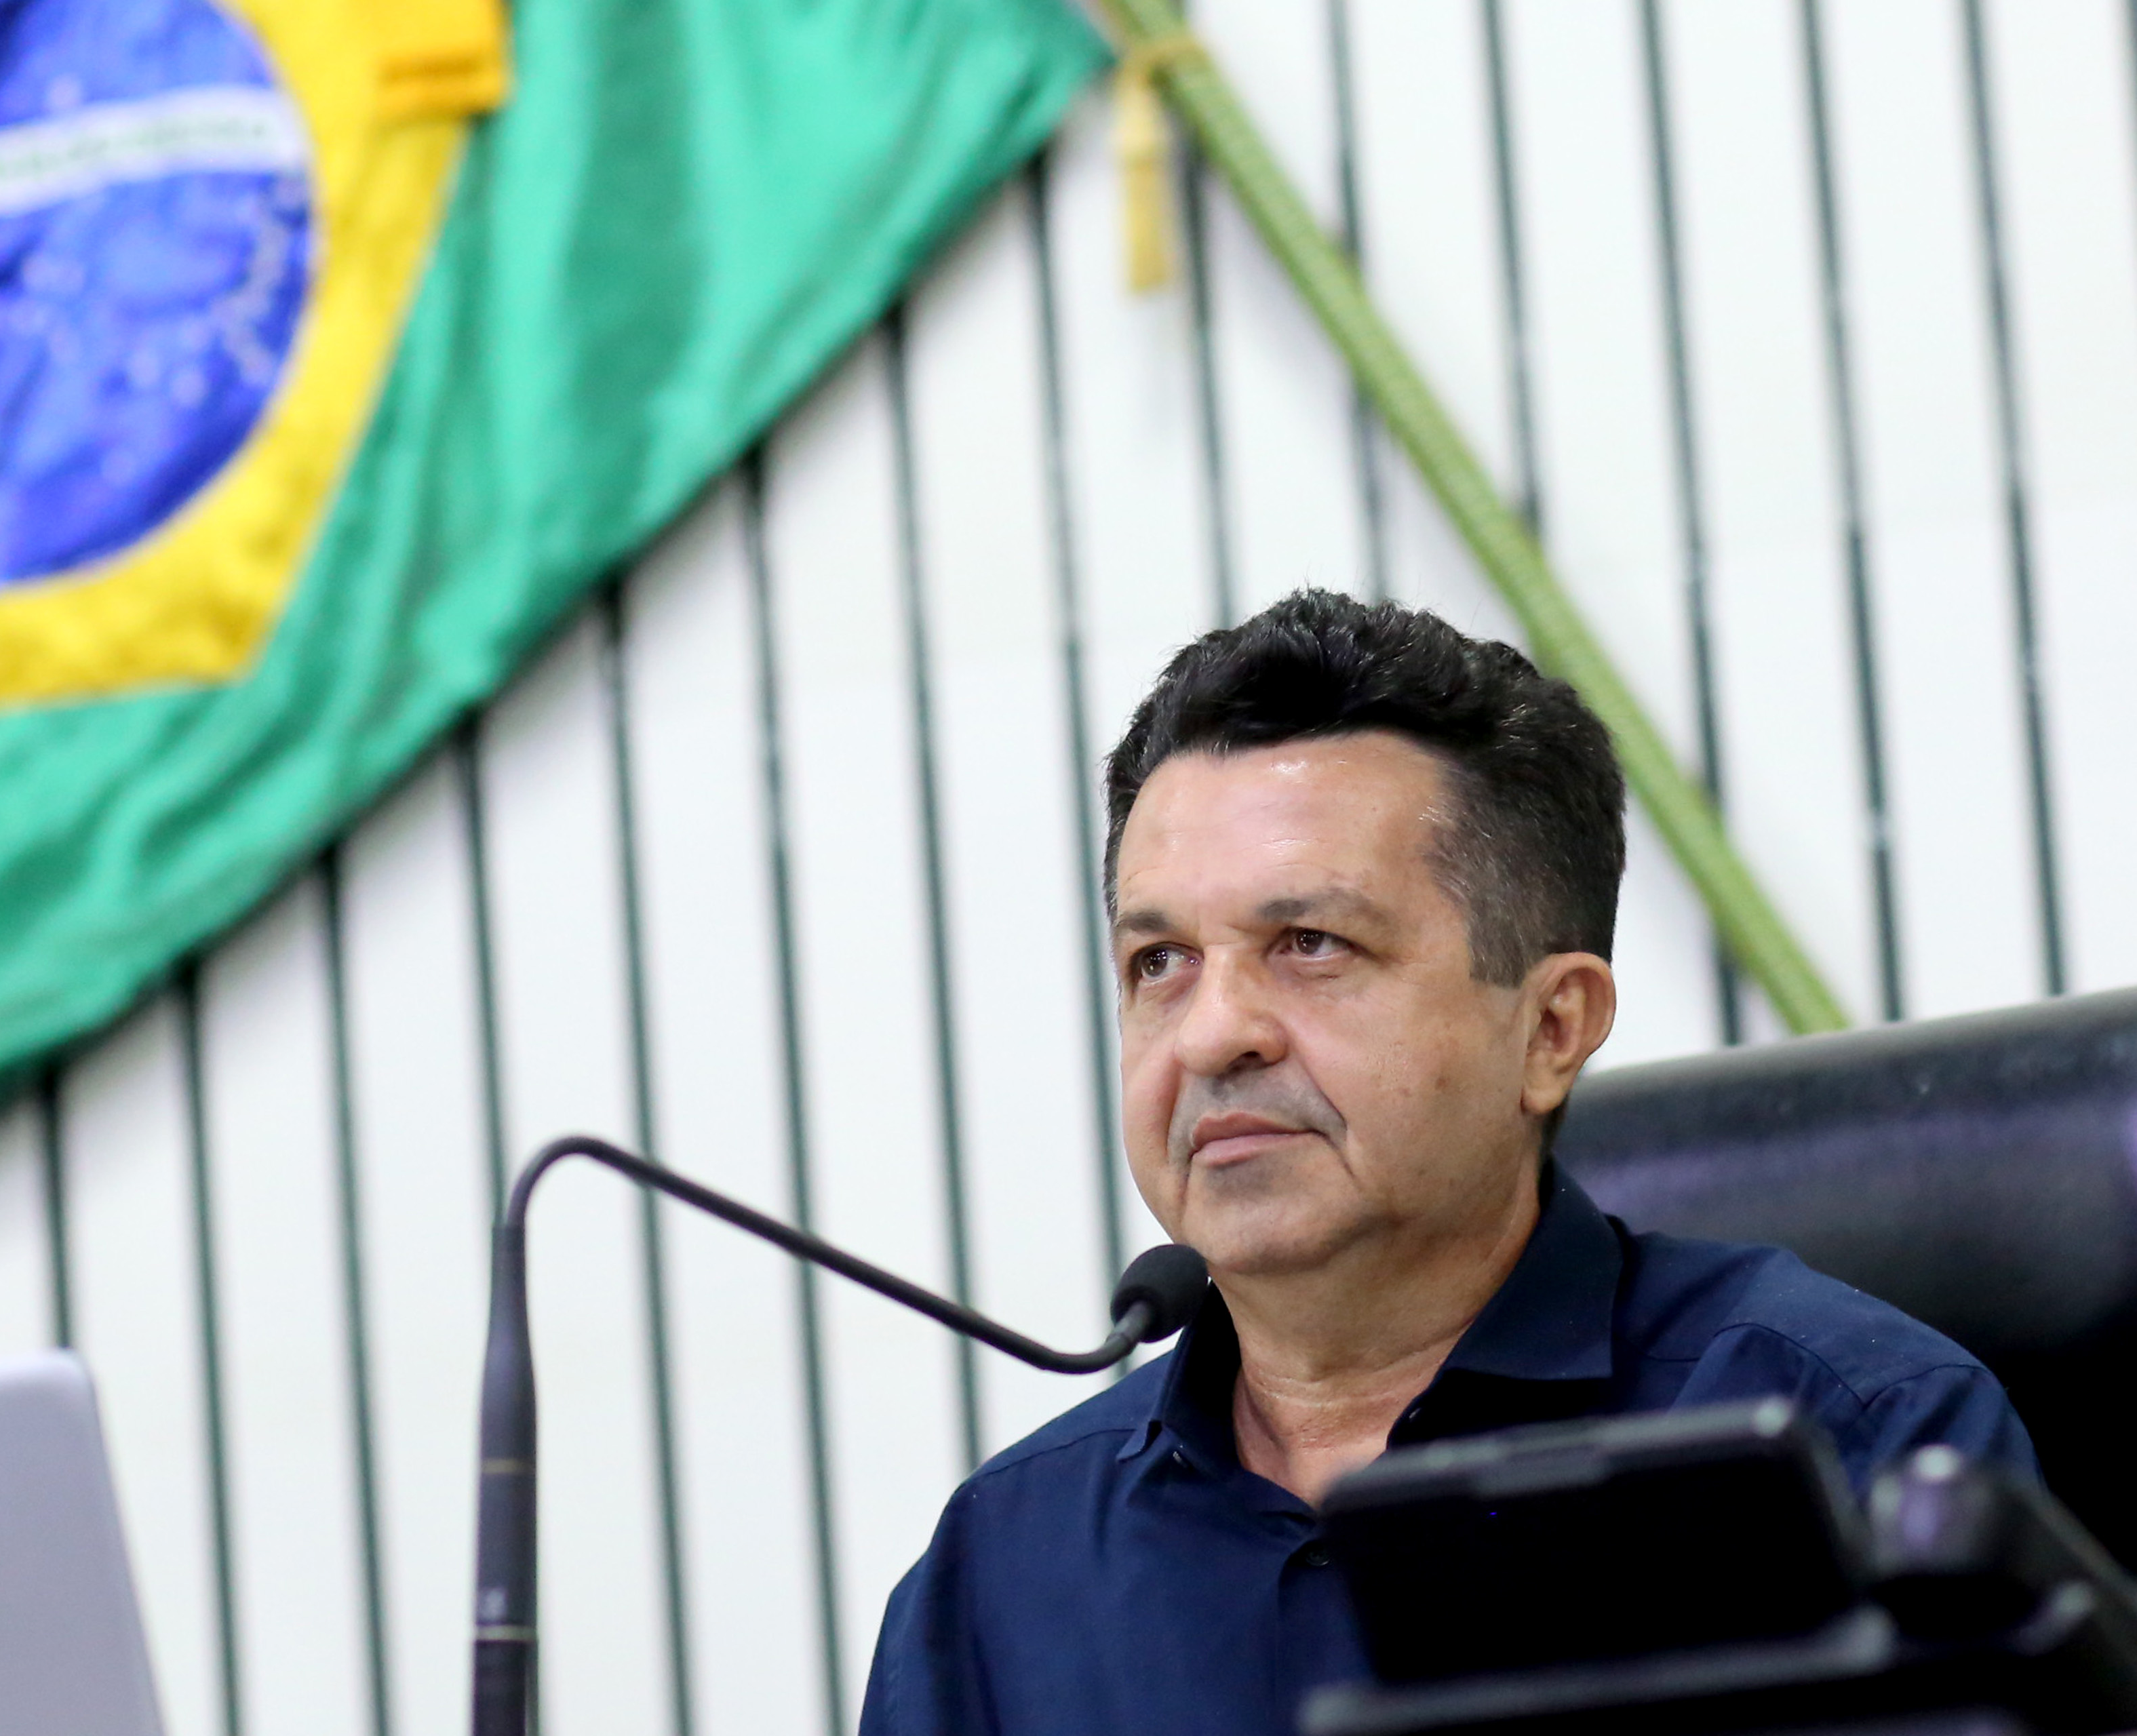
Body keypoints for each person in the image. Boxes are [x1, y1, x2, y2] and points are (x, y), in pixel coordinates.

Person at [860, 590, 2035, 1736]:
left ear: (1552, 1029)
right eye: (1160, 962)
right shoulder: (1003, 1566)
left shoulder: (1852, 1433)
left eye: (1310, 944)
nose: (1213, 1034)